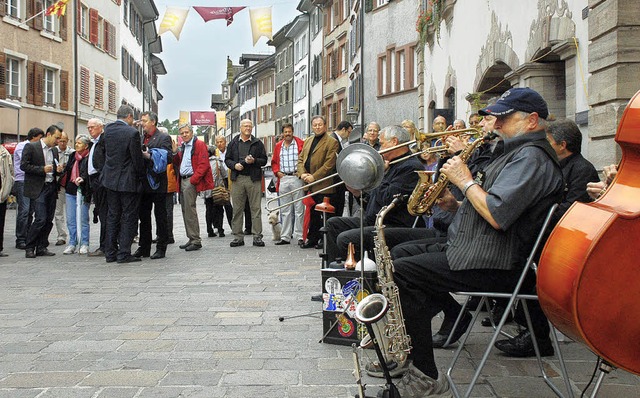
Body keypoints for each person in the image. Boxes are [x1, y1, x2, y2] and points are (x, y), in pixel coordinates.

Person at [390, 88, 564, 396]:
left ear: (532, 120)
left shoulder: (531, 158)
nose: (495, 125)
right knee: (399, 257)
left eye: (504, 119)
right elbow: (495, 205)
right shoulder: (516, 152)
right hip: (477, 248)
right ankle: (412, 345)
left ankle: (423, 375)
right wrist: (456, 206)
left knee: (404, 272)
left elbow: (497, 214)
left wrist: (464, 179)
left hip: (494, 262)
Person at [492, 118, 600, 357]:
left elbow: (570, 211)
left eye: (548, 141)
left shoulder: (582, 169)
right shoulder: (555, 164)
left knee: (529, 279)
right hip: (541, 236)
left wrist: (534, 213)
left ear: (562, 145)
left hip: (558, 242)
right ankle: (522, 325)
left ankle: (536, 337)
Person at [325, 125, 422, 265]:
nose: (380, 150)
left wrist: (381, 174)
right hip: (374, 220)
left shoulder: (410, 167)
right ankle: (335, 270)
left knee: (345, 238)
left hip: (393, 224)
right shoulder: (392, 164)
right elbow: (374, 200)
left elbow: (388, 200)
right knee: (333, 224)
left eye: (382, 144)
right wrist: (358, 193)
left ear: (394, 142)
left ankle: (358, 274)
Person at [100, 105, 145, 264]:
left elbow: (103, 153)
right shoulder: (132, 133)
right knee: (128, 216)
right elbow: (136, 158)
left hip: (110, 179)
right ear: (130, 117)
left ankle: (110, 252)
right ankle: (124, 253)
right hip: (128, 181)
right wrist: (141, 177)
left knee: (112, 216)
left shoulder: (107, 131)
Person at [297, 115, 340, 249]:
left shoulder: (332, 142)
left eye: (320, 125)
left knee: (324, 215)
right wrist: (302, 173)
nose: (317, 127)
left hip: (323, 185)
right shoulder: (308, 140)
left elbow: (329, 165)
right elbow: (300, 159)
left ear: (325, 125)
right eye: (315, 125)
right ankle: (312, 238)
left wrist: (314, 177)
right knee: (313, 214)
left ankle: (324, 239)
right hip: (309, 184)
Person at [21, 124, 63, 258]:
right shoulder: (32, 147)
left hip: (51, 186)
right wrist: (42, 169)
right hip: (38, 187)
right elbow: (24, 165)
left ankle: (41, 246)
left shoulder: (54, 151)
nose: (58, 142)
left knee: (49, 219)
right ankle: (30, 246)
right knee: (40, 218)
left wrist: (58, 170)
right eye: (56, 138)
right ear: (49, 135)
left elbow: (54, 168)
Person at [134, 111, 172, 260]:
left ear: (153, 122)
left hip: (157, 182)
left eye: (144, 121)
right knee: (143, 216)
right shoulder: (140, 138)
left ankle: (161, 247)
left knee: (160, 215)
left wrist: (151, 155)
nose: (142, 123)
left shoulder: (163, 137)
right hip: (143, 183)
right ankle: (144, 247)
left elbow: (168, 157)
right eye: (142, 121)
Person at [225, 119, 268, 248]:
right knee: (237, 209)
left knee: (255, 209)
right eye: (245, 126)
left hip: (253, 179)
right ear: (240, 127)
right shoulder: (233, 143)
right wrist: (234, 165)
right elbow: (227, 159)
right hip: (237, 179)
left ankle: (257, 237)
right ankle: (238, 237)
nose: (248, 128)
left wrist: (254, 160)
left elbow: (264, 160)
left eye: (250, 126)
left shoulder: (257, 143)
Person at [172, 123, 214, 251]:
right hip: (183, 179)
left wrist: (194, 180)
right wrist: (174, 153)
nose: (184, 135)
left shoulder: (199, 145)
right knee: (185, 209)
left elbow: (204, 164)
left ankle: (195, 240)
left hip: (190, 179)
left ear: (191, 133)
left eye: (186, 132)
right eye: (182, 133)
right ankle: (191, 238)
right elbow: (178, 163)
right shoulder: (183, 146)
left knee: (190, 209)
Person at [271, 123, 305, 245]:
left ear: (293, 132)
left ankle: (300, 235)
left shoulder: (300, 143)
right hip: (284, 178)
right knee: (285, 209)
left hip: (296, 177)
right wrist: (277, 172)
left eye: (289, 131)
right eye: (285, 132)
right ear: (282, 133)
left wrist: (301, 172)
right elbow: (274, 162)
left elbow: (305, 159)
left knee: (299, 208)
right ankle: (285, 236)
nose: (287, 134)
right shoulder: (278, 146)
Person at [61, 135, 93, 255]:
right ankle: (72, 243)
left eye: (79, 143)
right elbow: (68, 171)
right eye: (76, 143)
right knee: (71, 219)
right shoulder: (72, 156)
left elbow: (89, 173)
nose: (76, 145)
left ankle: (84, 243)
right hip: (70, 190)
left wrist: (83, 178)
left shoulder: (89, 157)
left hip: (83, 191)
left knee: (83, 218)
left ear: (86, 145)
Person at [13, 128, 44, 249]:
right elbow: (27, 162)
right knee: (24, 210)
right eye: (39, 138)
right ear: (34, 137)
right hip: (22, 180)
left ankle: (28, 236)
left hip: (32, 181)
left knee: (30, 210)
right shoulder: (23, 146)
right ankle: (20, 238)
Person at [87, 119, 107, 257]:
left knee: (104, 214)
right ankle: (105, 244)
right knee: (101, 213)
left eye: (92, 127)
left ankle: (105, 245)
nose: (90, 130)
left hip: (101, 180)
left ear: (100, 127)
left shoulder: (103, 141)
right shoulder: (93, 143)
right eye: (88, 127)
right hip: (94, 180)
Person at [330, 120, 353, 217]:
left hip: (337, 180)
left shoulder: (337, 140)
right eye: (349, 132)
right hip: (335, 180)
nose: (349, 135)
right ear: (343, 129)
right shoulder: (333, 140)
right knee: (337, 206)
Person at [204, 145, 227, 237]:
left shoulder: (203, 162)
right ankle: (220, 230)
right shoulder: (218, 161)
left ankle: (209, 230)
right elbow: (224, 175)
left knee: (208, 210)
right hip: (217, 189)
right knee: (219, 209)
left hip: (207, 189)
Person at [53, 128, 71, 246]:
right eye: (60, 141)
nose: (62, 143)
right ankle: (61, 236)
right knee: (58, 212)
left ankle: (74, 235)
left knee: (71, 212)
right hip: (58, 186)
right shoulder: (53, 152)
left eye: (64, 141)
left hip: (70, 185)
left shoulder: (73, 152)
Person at [215, 135, 233, 231]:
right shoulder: (215, 153)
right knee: (221, 203)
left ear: (225, 142)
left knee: (228, 204)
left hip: (230, 178)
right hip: (220, 180)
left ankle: (233, 225)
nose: (219, 144)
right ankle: (219, 227)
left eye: (221, 142)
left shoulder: (230, 151)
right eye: (217, 142)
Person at [0, 142, 14, 257]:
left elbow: (10, 170)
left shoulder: (4, 153)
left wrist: (9, 184)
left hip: (2, 191)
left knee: (1, 220)